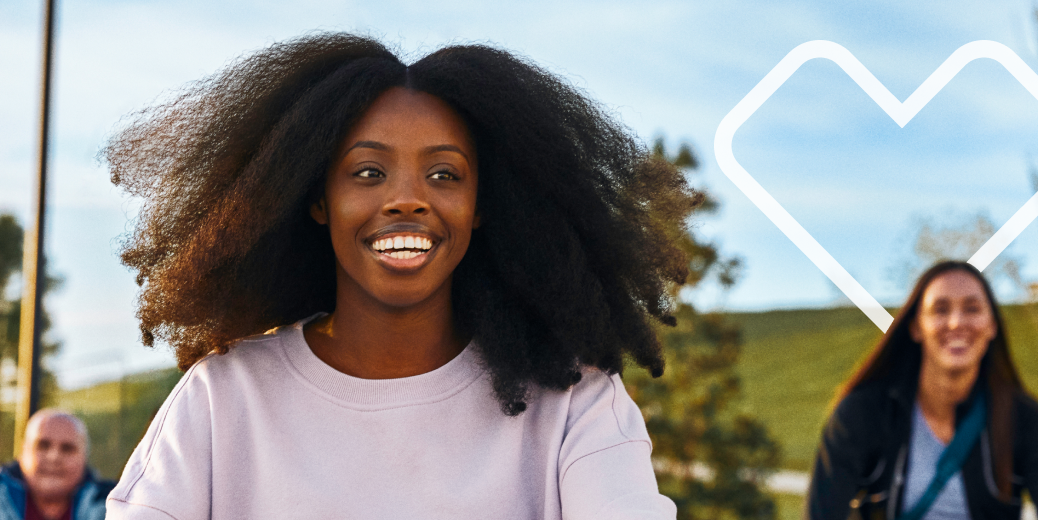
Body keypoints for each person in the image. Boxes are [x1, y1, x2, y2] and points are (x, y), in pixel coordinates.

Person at [103, 33, 695, 518]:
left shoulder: (575, 406)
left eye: (444, 175)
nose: (408, 199)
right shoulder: (224, 399)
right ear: (316, 199)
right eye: (367, 172)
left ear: (484, 205)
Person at [807, 261, 1038, 520]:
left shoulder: (1027, 421)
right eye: (940, 309)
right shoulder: (864, 413)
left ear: (992, 326)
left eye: (972, 309)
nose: (955, 322)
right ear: (916, 327)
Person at [0, 409, 116, 520]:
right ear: (23, 451)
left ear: (84, 457)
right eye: (43, 445)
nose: (54, 457)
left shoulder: (114, 503)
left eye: (67, 448)